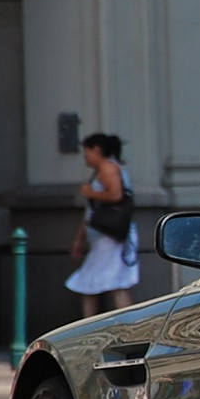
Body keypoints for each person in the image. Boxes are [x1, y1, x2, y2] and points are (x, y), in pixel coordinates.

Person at [66, 133, 138, 317]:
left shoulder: (107, 167)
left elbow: (115, 195)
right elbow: (91, 213)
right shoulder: (106, 169)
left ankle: (92, 326)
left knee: (99, 282)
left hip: (108, 237)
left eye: (87, 152)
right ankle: (124, 326)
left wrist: (91, 192)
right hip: (104, 235)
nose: (85, 157)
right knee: (111, 282)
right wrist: (79, 238)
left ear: (97, 150)